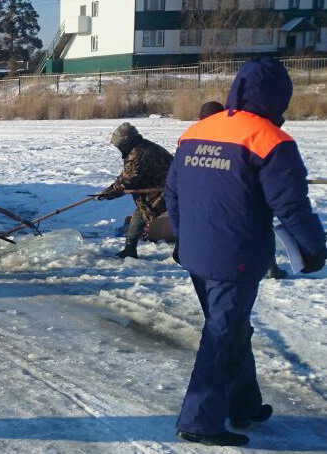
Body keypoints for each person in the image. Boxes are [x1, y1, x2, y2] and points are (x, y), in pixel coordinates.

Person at [165, 58, 326, 447]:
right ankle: (200, 420)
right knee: (222, 332)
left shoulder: (197, 130)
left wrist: (185, 239)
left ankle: (243, 404)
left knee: (233, 327)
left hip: (196, 252)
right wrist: (314, 248)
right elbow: (291, 205)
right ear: (279, 97)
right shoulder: (270, 139)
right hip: (234, 256)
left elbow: (172, 192)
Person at [198, 100, 288, 280]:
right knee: (257, 229)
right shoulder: (234, 128)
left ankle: (264, 266)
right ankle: (267, 266)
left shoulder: (210, 134)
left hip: (236, 189)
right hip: (242, 189)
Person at [96, 122, 173, 258]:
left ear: (126, 142)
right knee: (141, 213)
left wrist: (109, 193)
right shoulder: (140, 147)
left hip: (164, 189)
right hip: (158, 188)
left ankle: (131, 249)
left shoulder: (139, 153)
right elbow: (128, 174)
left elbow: (128, 181)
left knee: (146, 212)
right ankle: (130, 249)